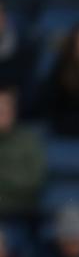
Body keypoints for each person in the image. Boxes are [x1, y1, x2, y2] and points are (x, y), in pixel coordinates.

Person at [0, 85, 45, 219]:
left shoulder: (29, 140)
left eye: (5, 109)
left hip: (19, 211)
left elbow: (34, 180)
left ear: (14, 111)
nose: (2, 114)